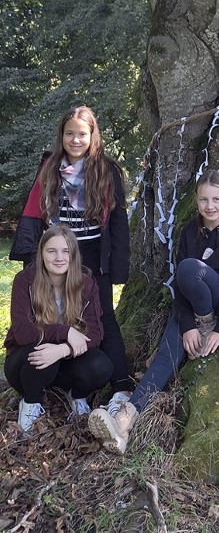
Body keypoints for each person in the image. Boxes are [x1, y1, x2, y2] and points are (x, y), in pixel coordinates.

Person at [88, 170, 219, 454]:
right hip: (193, 310)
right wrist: (188, 324)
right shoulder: (189, 232)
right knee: (165, 358)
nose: (209, 206)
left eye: (215, 199)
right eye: (203, 200)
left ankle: (207, 322)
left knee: (190, 267)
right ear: (197, 201)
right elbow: (179, 284)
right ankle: (123, 425)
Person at [9, 106, 132, 414]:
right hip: (56, 252)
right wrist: (30, 260)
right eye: (69, 134)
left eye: (82, 134)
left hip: (91, 252)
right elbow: (34, 212)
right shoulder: (49, 167)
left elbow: (118, 221)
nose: (75, 140)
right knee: (49, 315)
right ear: (61, 136)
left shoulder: (106, 169)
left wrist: (118, 268)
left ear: (92, 136)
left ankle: (119, 387)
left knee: (103, 318)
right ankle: (41, 381)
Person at [5, 226, 112, 433]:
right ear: (42, 254)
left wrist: (63, 349)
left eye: (66, 251)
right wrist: (66, 332)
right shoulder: (25, 281)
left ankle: (77, 395)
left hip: (65, 363)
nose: (59, 258)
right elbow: (24, 333)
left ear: (74, 255)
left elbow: (95, 335)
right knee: (42, 351)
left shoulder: (86, 284)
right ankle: (30, 404)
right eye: (51, 251)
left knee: (101, 366)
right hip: (25, 366)